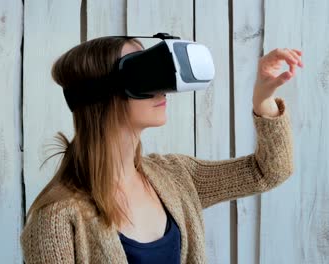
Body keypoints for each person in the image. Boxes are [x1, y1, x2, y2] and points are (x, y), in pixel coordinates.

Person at [20, 36, 303, 264]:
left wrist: (263, 99)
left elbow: (267, 171)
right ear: (100, 94)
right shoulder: (57, 220)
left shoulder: (176, 176)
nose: (162, 89)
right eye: (144, 73)